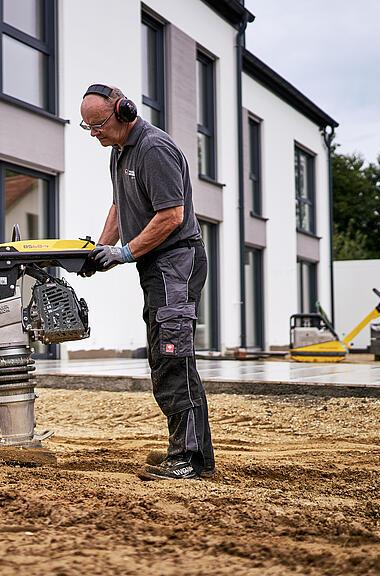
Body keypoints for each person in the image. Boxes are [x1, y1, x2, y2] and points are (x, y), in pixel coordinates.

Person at [80, 84, 215, 480]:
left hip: (177, 262)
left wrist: (123, 253)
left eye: (98, 125)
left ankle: (188, 459)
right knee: (162, 357)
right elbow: (120, 205)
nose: (95, 134)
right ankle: (190, 451)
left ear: (123, 111)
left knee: (174, 357)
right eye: (87, 128)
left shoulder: (154, 149)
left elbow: (171, 216)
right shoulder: (119, 153)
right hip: (155, 266)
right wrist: (97, 251)